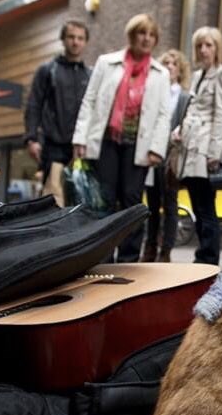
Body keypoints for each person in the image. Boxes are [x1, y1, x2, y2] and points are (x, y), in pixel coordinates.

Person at [72, 13, 171, 263]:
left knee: (131, 202)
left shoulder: (160, 73)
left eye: (151, 35)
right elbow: (90, 100)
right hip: (106, 142)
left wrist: (157, 149)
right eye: (142, 33)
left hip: (139, 147)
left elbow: (163, 114)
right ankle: (101, 256)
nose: (146, 39)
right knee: (104, 200)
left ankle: (128, 258)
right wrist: (80, 139)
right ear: (131, 35)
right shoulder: (107, 63)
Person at [170, 27, 222, 265]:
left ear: (217, 48)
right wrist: (179, 131)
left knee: (206, 207)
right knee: (198, 205)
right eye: (199, 45)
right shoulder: (197, 76)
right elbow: (192, 110)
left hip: (206, 150)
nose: (204, 50)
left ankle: (208, 259)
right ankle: (203, 255)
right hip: (190, 149)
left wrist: (214, 152)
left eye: (208, 45)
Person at [24, 20, 92, 204]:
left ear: (85, 42)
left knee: (79, 198)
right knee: (53, 199)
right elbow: (34, 105)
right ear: (63, 39)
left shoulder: (90, 75)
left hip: (81, 148)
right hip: (54, 146)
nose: (75, 42)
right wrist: (31, 138)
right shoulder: (47, 70)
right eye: (71, 37)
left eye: (80, 38)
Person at [144, 49, 190, 263]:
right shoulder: (153, 94)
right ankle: (150, 247)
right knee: (151, 206)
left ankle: (166, 251)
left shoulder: (185, 97)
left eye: (174, 63)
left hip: (172, 157)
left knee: (170, 205)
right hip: (153, 156)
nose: (170, 66)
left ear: (180, 70)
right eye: (166, 63)